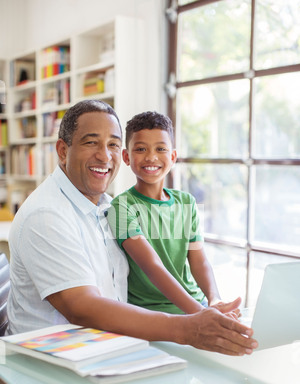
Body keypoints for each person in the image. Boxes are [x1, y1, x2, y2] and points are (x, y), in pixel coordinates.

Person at [7, 99, 257, 356]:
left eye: (113, 144)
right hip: (48, 364)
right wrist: (187, 327)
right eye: (91, 142)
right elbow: (82, 307)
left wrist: (207, 306)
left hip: (102, 350)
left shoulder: (105, 207)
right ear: (62, 150)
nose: (104, 155)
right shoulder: (47, 215)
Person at [107, 111, 238, 317]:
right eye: (141, 149)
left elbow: (199, 260)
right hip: (154, 314)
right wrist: (200, 314)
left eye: (161, 149)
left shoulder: (186, 202)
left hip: (197, 305)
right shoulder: (121, 206)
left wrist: (214, 300)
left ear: (173, 157)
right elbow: (151, 265)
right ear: (126, 156)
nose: (151, 157)